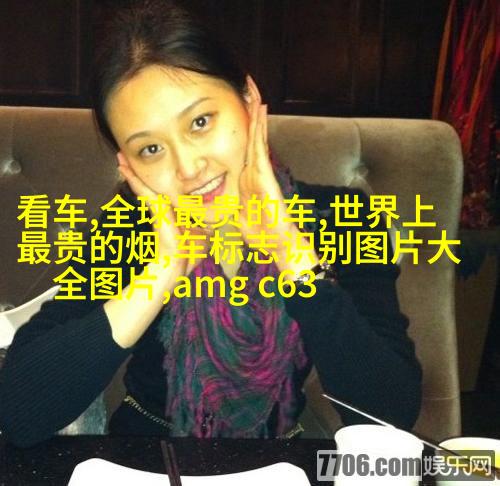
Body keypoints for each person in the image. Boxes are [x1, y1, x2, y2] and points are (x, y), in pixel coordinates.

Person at [0, 0, 422, 447]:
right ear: (128, 164)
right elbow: (21, 413)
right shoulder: (128, 226)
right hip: (145, 456)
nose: (188, 168)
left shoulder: (345, 218)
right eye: (150, 150)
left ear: (248, 99)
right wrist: (162, 272)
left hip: (280, 460)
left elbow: (390, 415)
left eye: (200, 122)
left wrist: (291, 253)